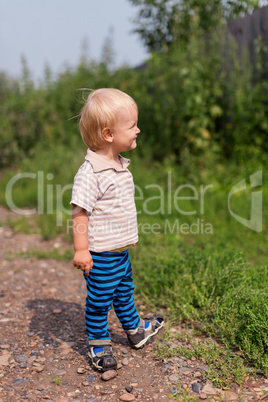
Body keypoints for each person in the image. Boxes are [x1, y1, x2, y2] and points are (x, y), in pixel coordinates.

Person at [70, 88, 164, 372]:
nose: (138, 129)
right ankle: (98, 343)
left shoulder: (119, 166)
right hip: (101, 256)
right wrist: (81, 249)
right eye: (132, 125)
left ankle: (135, 331)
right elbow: (80, 212)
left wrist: (127, 237)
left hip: (119, 252)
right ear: (109, 134)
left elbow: (116, 209)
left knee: (124, 292)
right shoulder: (91, 173)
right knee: (99, 301)